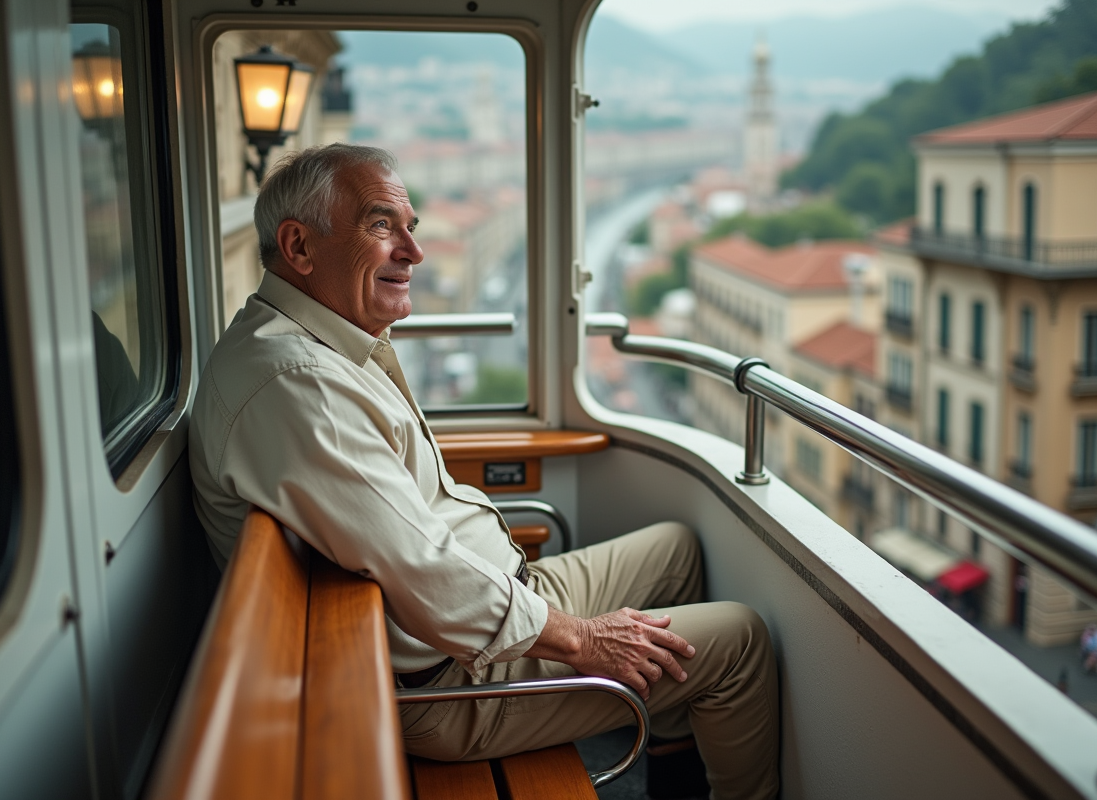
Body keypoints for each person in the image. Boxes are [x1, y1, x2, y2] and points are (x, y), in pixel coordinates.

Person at [188, 143, 779, 799]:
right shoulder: (297, 382)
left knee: (677, 550)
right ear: (300, 248)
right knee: (741, 643)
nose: (413, 253)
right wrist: (582, 640)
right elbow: (422, 569)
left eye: (411, 227)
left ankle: (665, 760)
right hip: (450, 686)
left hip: (476, 619)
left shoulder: (311, 345)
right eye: (382, 226)